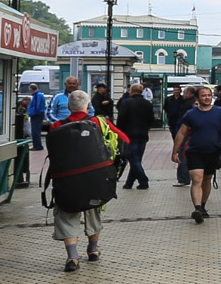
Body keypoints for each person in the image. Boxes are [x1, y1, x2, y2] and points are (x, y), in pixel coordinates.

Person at [49, 89, 127, 272]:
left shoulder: (57, 126)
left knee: (66, 216)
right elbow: (124, 140)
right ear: (89, 106)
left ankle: (72, 256)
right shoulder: (98, 123)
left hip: (67, 181)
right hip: (95, 178)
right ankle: (93, 249)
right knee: (93, 211)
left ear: (68, 107)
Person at [172, 85, 221, 223]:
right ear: (197, 98)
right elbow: (182, 133)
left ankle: (203, 206)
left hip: (213, 151)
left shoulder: (219, 112)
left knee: (207, 179)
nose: (207, 98)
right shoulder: (191, 114)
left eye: (209, 95)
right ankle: (198, 208)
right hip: (194, 151)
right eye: (204, 95)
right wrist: (175, 151)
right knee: (197, 179)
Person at [115, 82, 156, 188]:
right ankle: (129, 183)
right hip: (143, 134)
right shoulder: (147, 104)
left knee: (133, 159)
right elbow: (151, 119)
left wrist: (119, 132)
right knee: (137, 158)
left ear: (131, 91)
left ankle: (143, 180)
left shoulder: (127, 102)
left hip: (129, 135)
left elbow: (121, 119)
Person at [165, 86, 196, 187]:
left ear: (189, 93)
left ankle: (183, 178)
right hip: (195, 134)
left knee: (183, 155)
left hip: (186, 133)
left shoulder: (186, 105)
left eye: (184, 92)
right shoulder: (193, 103)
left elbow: (183, 121)